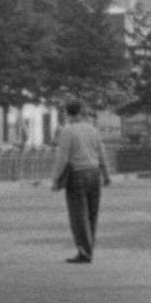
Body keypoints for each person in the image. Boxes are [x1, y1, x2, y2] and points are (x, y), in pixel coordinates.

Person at [51, 101, 110, 264]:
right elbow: (102, 153)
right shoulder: (92, 130)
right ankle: (89, 248)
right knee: (92, 214)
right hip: (94, 174)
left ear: (67, 114)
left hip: (77, 175)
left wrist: (56, 178)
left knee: (78, 215)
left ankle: (84, 251)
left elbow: (63, 157)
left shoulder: (68, 131)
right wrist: (106, 174)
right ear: (82, 112)